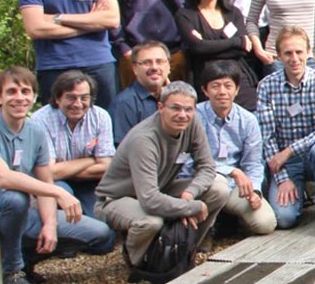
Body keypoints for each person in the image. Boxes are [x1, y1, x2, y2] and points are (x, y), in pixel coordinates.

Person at [0, 68, 116, 284]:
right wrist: (58, 193)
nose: (19, 97)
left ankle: (25, 263)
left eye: (26, 91)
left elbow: (45, 178)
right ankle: (12, 271)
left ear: (34, 97)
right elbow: (2, 177)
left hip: (21, 217)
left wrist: (50, 225)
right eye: (11, 91)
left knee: (99, 232)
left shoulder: (35, 132)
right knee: (14, 197)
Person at [96, 80, 228, 266]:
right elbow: (149, 199)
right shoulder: (144, 139)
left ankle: (184, 249)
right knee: (151, 222)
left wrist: (190, 194)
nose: (182, 115)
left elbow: (207, 167)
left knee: (219, 188)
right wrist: (191, 207)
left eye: (188, 109)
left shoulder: (192, 123)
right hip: (118, 198)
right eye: (175, 108)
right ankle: (139, 262)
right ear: (161, 107)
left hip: (161, 187)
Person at [255, 25, 315, 229]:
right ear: (279, 56)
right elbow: (267, 136)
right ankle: (296, 194)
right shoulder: (266, 86)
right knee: (285, 219)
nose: (294, 58)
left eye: (299, 52)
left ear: (308, 52)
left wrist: (290, 150)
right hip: (285, 163)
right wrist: (282, 177)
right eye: (288, 53)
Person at [194, 61, 276, 237]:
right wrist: (232, 171)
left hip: (234, 187)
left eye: (228, 86)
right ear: (205, 90)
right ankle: (206, 231)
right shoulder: (194, 117)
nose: (222, 92)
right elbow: (192, 161)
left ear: (237, 89)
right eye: (215, 86)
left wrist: (254, 190)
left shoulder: (247, 120)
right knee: (217, 183)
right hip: (202, 185)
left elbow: (253, 163)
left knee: (266, 223)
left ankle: (230, 219)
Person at [176, 0, 257, 110]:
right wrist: (235, 42)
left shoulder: (233, 13)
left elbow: (244, 48)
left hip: (239, 80)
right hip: (205, 82)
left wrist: (208, 46)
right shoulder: (186, 15)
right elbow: (197, 48)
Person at [35, 71, 116, 214]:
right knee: (65, 211)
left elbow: (106, 166)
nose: (78, 104)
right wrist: (91, 160)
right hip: (55, 184)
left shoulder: (101, 117)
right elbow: (48, 172)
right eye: (71, 98)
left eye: (84, 98)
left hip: (90, 183)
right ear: (58, 99)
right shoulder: (40, 120)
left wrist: (62, 170)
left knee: (102, 226)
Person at [110, 39, 172, 145]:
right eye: (146, 62)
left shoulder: (177, 98)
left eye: (159, 62)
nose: (154, 67)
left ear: (169, 67)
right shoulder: (124, 103)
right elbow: (124, 149)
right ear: (135, 68)